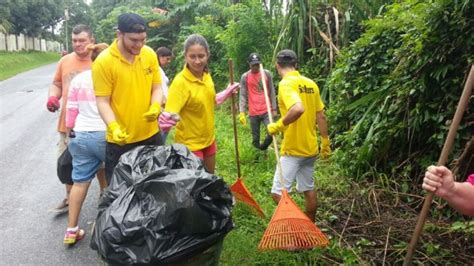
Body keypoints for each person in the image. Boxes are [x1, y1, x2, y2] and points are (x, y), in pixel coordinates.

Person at [93, 13, 164, 184]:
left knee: (154, 189)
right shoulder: (104, 62)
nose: (139, 45)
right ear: (119, 34)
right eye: (133, 40)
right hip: (120, 143)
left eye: (143, 40)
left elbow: (157, 87)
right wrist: (113, 126)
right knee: (121, 196)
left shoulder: (149, 54)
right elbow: (102, 101)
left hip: (151, 136)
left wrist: (155, 105)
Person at [46, 24, 106, 212]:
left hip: (97, 124)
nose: (78, 44)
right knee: (67, 164)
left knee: (102, 166)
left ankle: (105, 197)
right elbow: (56, 83)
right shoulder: (65, 61)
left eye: (82, 41)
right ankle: (69, 198)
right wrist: (53, 97)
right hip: (68, 125)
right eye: (74, 41)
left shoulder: (101, 60)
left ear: (91, 41)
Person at [267, 49, 331, 222]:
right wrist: (325, 141)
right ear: (296, 65)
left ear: (277, 66)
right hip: (311, 148)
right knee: (308, 189)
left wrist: (278, 125)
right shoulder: (311, 84)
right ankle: (311, 228)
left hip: (293, 148)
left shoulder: (286, 84)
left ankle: (298, 227)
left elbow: (297, 108)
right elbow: (321, 115)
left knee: (277, 193)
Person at [161, 34, 239, 174]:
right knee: (196, 187)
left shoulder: (206, 75)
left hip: (209, 139)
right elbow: (169, 115)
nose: (197, 61)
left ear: (207, 55)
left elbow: (210, 100)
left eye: (201, 56)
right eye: (192, 56)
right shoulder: (180, 83)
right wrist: (165, 120)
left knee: (209, 179)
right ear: (185, 56)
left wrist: (226, 93)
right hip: (189, 145)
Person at [63, 43, 109, 244]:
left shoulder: (79, 80)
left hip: (80, 134)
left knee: (80, 182)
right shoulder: (112, 79)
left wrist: (68, 131)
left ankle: (71, 230)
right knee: (113, 178)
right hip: (105, 135)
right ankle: (110, 227)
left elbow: (71, 109)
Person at [239, 52, 277, 151]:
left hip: (266, 110)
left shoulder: (266, 74)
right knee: (255, 138)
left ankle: (263, 148)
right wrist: (242, 112)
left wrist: (274, 108)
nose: (255, 67)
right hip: (253, 112)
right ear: (249, 64)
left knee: (272, 132)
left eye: (257, 64)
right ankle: (257, 157)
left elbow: (272, 91)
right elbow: (242, 95)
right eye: (253, 65)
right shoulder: (245, 76)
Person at [155, 46, 173, 143]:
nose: (169, 61)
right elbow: (160, 89)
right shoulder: (157, 70)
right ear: (160, 57)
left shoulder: (159, 69)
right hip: (161, 107)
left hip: (163, 106)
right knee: (162, 133)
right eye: (167, 59)